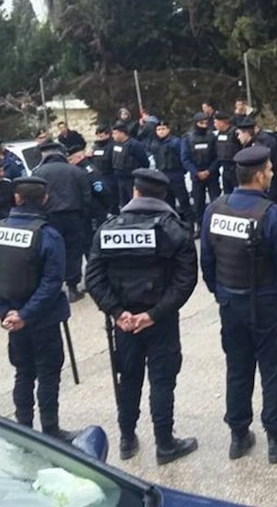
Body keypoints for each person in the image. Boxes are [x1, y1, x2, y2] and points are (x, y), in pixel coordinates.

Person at [200, 146, 277, 464]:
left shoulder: (215, 209)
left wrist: (219, 292)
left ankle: (239, 436)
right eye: (270, 170)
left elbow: (207, 259)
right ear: (259, 175)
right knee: (274, 370)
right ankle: (276, 438)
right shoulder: (272, 215)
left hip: (231, 304)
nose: (273, 174)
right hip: (266, 305)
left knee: (238, 368)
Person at [86, 169, 198, 465]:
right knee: (162, 380)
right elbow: (185, 281)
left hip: (124, 323)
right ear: (163, 195)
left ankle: (127, 439)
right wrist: (153, 314)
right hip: (159, 320)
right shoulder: (175, 230)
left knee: (129, 377)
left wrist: (118, 313)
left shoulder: (108, 229)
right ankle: (165, 444)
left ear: (135, 192)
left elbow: (94, 279)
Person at [0, 177, 78, 441]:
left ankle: (23, 431)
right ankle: (51, 431)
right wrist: (26, 315)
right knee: (47, 373)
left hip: (14, 318)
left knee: (23, 372)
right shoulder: (47, 234)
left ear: (17, 198)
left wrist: (9, 314)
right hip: (42, 319)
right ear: (44, 199)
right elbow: (53, 282)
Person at [32, 141, 91, 303]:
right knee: (73, 251)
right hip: (73, 217)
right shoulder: (77, 171)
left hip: (48, 218)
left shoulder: (38, 173)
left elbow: (34, 198)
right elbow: (87, 197)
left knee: (51, 252)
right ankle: (73, 287)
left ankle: (53, 287)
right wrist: (84, 216)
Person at [66, 145, 112, 261]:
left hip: (94, 213)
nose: (69, 163)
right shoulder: (78, 170)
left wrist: (103, 209)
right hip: (87, 213)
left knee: (93, 243)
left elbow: (103, 191)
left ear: (80, 157)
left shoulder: (89, 171)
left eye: (71, 159)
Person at [182, 112, 220, 237]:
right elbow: (185, 158)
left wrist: (209, 171)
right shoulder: (188, 138)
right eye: (201, 123)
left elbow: (218, 156)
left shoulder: (212, 137)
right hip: (196, 175)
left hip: (211, 174)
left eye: (206, 122)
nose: (204, 125)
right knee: (198, 203)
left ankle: (217, 226)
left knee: (216, 201)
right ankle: (200, 227)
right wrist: (196, 172)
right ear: (195, 123)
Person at [152, 120, 192, 224]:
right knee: (167, 205)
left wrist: (181, 172)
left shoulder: (176, 142)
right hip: (163, 176)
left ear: (168, 129)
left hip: (176, 175)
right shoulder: (155, 143)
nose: (161, 131)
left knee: (184, 203)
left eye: (163, 129)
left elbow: (183, 157)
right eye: (158, 129)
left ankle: (190, 227)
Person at [235, 117, 277, 205]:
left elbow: (273, 163)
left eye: (239, 134)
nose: (238, 137)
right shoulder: (249, 143)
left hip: (268, 181)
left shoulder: (266, 141)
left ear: (246, 133)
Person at [111, 122, 150, 209]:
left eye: (115, 133)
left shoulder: (134, 145)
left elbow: (145, 162)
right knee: (123, 204)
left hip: (132, 179)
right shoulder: (116, 145)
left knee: (135, 203)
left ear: (122, 133)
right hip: (120, 179)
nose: (113, 136)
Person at [89, 124, 118, 214]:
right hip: (98, 175)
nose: (99, 138)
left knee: (113, 199)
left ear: (108, 135)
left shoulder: (113, 146)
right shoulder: (95, 146)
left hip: (110, 175)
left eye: (101, 136)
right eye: (97, 136)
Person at [213, 111, 242, 195]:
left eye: (216, 122)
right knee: (227, 193)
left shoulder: (234, 132)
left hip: (235, 167)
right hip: (225, 168)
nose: (214, 125)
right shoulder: (219, 134)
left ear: (222, 122)